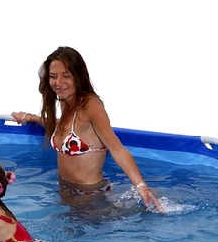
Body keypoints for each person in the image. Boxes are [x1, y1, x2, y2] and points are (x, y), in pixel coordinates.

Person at [11, 46, 163, 212]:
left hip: (90, 197)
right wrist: (30, 118)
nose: (58, 83)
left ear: (78, 76)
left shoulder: (91, 105)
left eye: (66, 76)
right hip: (66, 191)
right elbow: (63, 126)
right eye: (53, 76)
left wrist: (141, 186)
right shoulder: (66, 100)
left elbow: (117, 149)